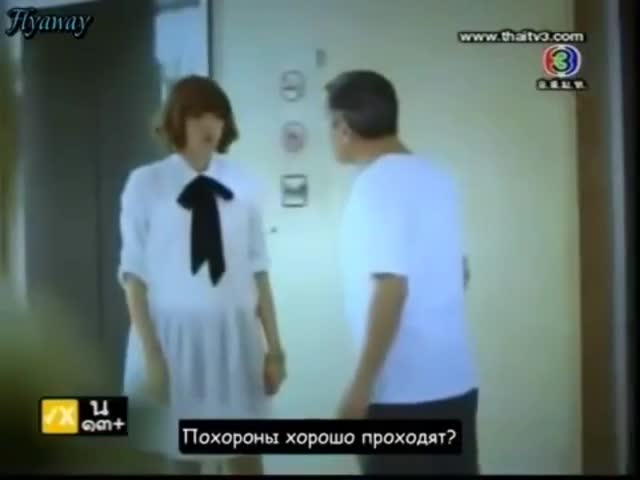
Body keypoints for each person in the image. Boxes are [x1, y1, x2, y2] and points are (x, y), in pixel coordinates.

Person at [118, 75, 286, 475]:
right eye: (197, 115)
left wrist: (275, 349)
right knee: (182, 457)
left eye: (217, 116)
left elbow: (258, 269)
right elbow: (133, 276)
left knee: (246, 456)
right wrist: (153, 355)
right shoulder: (146, 183)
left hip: (235, 338)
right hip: (173, 339)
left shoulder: (244, 182)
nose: (209, 125)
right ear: (178, 120)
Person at [325, 70, 480, 475]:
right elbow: (460, 272)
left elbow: (392, 288)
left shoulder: (374, 185)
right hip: (455, 382)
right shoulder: (439, 177)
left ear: (344, 126)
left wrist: (361, 387)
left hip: (402, 394)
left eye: (330, 125)